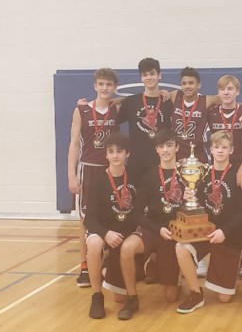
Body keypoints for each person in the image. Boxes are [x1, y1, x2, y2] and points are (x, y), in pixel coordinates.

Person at [112, 128, 185, 318]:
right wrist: (157, 229)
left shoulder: (188, 174)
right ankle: (132, 297)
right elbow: (136, 213)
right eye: (161, 146)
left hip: (176, 233)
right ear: (157, 150)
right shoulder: (149, 176)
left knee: (170, 297)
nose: (166, 150)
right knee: (127, 248)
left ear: (177, 147)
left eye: (169, 145)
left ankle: (170, 271)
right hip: (153, 230)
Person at [175, 130, 242, 313]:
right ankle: (195, 293)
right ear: (210, 150)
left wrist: (225, 231)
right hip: (204, 232)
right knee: (181, 247)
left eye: (225, 147)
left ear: (232, 150)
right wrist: (188, 195)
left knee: (224, 298)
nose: (220, 151)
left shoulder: (238, 173)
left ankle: (233, 266)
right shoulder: (202, 172)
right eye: (216, 147)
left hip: (228, 235)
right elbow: (197, 203)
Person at [67, 67, 120, 288]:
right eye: (101, 84)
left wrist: (118, 100)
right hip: (87, 169)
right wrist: (71, 174)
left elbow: (130, 99)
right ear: (94, 86)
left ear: (114, 87)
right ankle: (85, 267)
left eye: (109, 84)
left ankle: (107, 263)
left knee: (112, 215)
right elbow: (74, 143)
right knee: (85, 221)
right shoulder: (81, 110)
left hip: (111, 168)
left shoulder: (118, 108)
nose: (105, 88)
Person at [81, 131, 139, 319]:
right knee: (95, 244)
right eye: (111, 151)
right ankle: (97, 296)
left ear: (127, 154)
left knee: (119, 298)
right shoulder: (98, 181)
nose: (115, 155)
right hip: (104, 231)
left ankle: (125, 289)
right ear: (105, 154)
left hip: (127, 233)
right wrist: (106, 234)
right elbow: (89, 219)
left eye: (119, 151)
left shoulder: (135, 177)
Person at [203, 74, 242, 166]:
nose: (226, 93)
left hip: (239, 164)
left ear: (237, 92)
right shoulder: (211, 113)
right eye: (222, 89)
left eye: (230, 89)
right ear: (218, 92)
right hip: (217, 165)